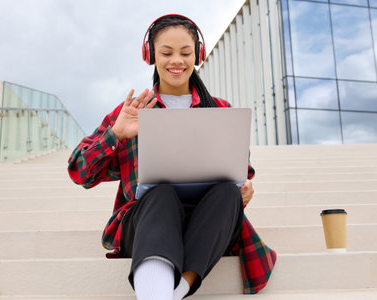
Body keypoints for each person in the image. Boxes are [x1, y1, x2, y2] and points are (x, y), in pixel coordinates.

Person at [68, 14, 276, 300]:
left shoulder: (220, 109)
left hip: (206, 223)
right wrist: (115, 134)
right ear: (150, 55)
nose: (176, 60)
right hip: (147, 222)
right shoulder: (131, 112)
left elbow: (242, 170)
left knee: (228, 194)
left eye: (185, 53)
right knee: (161, 194)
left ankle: (176, 290)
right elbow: (80, 172)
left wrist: (244, 188)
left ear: (198, 55)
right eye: (166, 53)